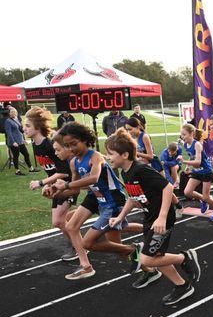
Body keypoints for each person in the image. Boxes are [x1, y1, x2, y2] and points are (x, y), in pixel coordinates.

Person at [105, 129, 201, 305]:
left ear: (125, 154)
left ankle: (185, 258)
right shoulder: (125, 172)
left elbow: (168, 188)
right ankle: (182, 285)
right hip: (149, 218)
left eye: (110, 154)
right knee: (156, 256)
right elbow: (134, 199)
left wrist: (162, 217)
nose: (107, 157)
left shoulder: (141, 169)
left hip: (161, 219)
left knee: (147, 259)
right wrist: (120, 217)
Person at [52, 122, 142, 280]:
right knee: (72, 225)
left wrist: (65, 184)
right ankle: (87, 266)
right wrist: (55, 192)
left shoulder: (95, 156)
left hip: (112, 200)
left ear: (85, 140)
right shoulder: (74, 162)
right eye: (67, 146)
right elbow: (75, 190)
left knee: (107, 242)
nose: (71, 148)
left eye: (74, 144)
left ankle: (137, 250)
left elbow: (93, 177)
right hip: (97, 197)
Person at [24, 107, 79, 262]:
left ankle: (78, 246)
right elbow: (50, 170)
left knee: (59, 221)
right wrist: (48, 183)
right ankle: (77, 244)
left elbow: (64, 171)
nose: (24, 128)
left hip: (67, 184)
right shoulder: (35, 144)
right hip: (55, 185)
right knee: (59, 222)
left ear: (38, 127)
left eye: (28, 126)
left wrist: (41, 182)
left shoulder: (49, 144)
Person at [179, 124, 213, 222]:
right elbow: (192, 157)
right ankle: (203, 200)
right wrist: (187, 167)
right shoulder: (186, 144)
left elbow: (198, 162)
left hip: (206, 171)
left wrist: (184, 162)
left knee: (206, 196)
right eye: (181, 134)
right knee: (187, 192)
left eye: (184, 134)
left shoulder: (197, 145)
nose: (182, 137)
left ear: (191, 134)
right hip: (197, 171)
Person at [5, 107, 37, 175]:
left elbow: (20, 131)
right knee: (16, 156)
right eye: (12, 112)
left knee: (26, 154)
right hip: (14, 142)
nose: (13, 113)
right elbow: (9, 133)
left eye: (14, 112)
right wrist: (13, 142)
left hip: (20, 141)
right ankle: (17, 171)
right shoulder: (8, 121)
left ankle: (31, 168)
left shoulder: (17, 119)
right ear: (9, 113)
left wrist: (24, 140)